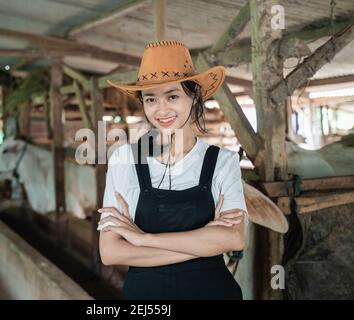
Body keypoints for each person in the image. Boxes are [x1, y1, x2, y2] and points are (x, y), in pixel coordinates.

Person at [97, 40, 248, 300]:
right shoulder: (124, 160)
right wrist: (206, 243)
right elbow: (111, 253)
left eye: (173, 96)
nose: (161, 109)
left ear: (195, 97)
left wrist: (143, 239)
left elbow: (234, 238)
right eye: (151, 99)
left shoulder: (223, 161)